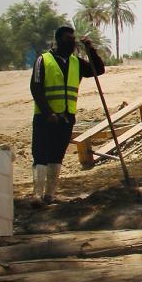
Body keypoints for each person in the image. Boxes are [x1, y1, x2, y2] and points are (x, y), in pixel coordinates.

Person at [30, 26, 105, 206]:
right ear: (58, 40)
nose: (71, 43)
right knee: (41, 155)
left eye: (73, 40)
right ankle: (37, 196)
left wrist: (90, 50)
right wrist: (48, 112)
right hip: (44, 117)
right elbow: (36, 87)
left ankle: (50, 195)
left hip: (66, 117)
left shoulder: (76, 62)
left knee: (57, 155)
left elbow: (98, 70)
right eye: (67, 40)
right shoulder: (44, 60)